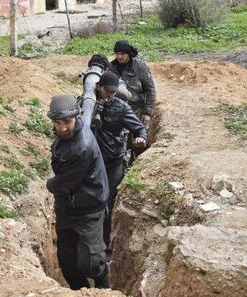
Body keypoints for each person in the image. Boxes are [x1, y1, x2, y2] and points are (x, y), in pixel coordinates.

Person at [46, 95, 110, 290]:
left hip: (88, 209)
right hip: (67, 207)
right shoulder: (67, 136)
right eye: (57, 123)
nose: (62, 128)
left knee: (91, 263)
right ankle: (80, 291)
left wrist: (50, 184)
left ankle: (103, 285)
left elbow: (64, 184)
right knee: (67, 263)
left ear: (78, 117)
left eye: (67, 122)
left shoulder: (82, 147)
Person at [93, 72, 148, 254]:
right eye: (107, 91)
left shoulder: (121, 107)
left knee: (108, 204)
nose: (110, 95)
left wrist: (141, 138)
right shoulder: (88, 103)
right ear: (99, 87)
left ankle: (105, 247)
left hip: (112, 164)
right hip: (90, 165)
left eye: (113, 92)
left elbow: (139, 128)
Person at [111, 40, 156, 126]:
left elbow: (150, 90)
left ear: (128, 54)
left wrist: (147, 112)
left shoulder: (140, 67)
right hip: (116, 110)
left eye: (122, 54)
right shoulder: (111, 68)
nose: (119, 57)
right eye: (117, 54)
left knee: (138, 137)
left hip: (136, 110)